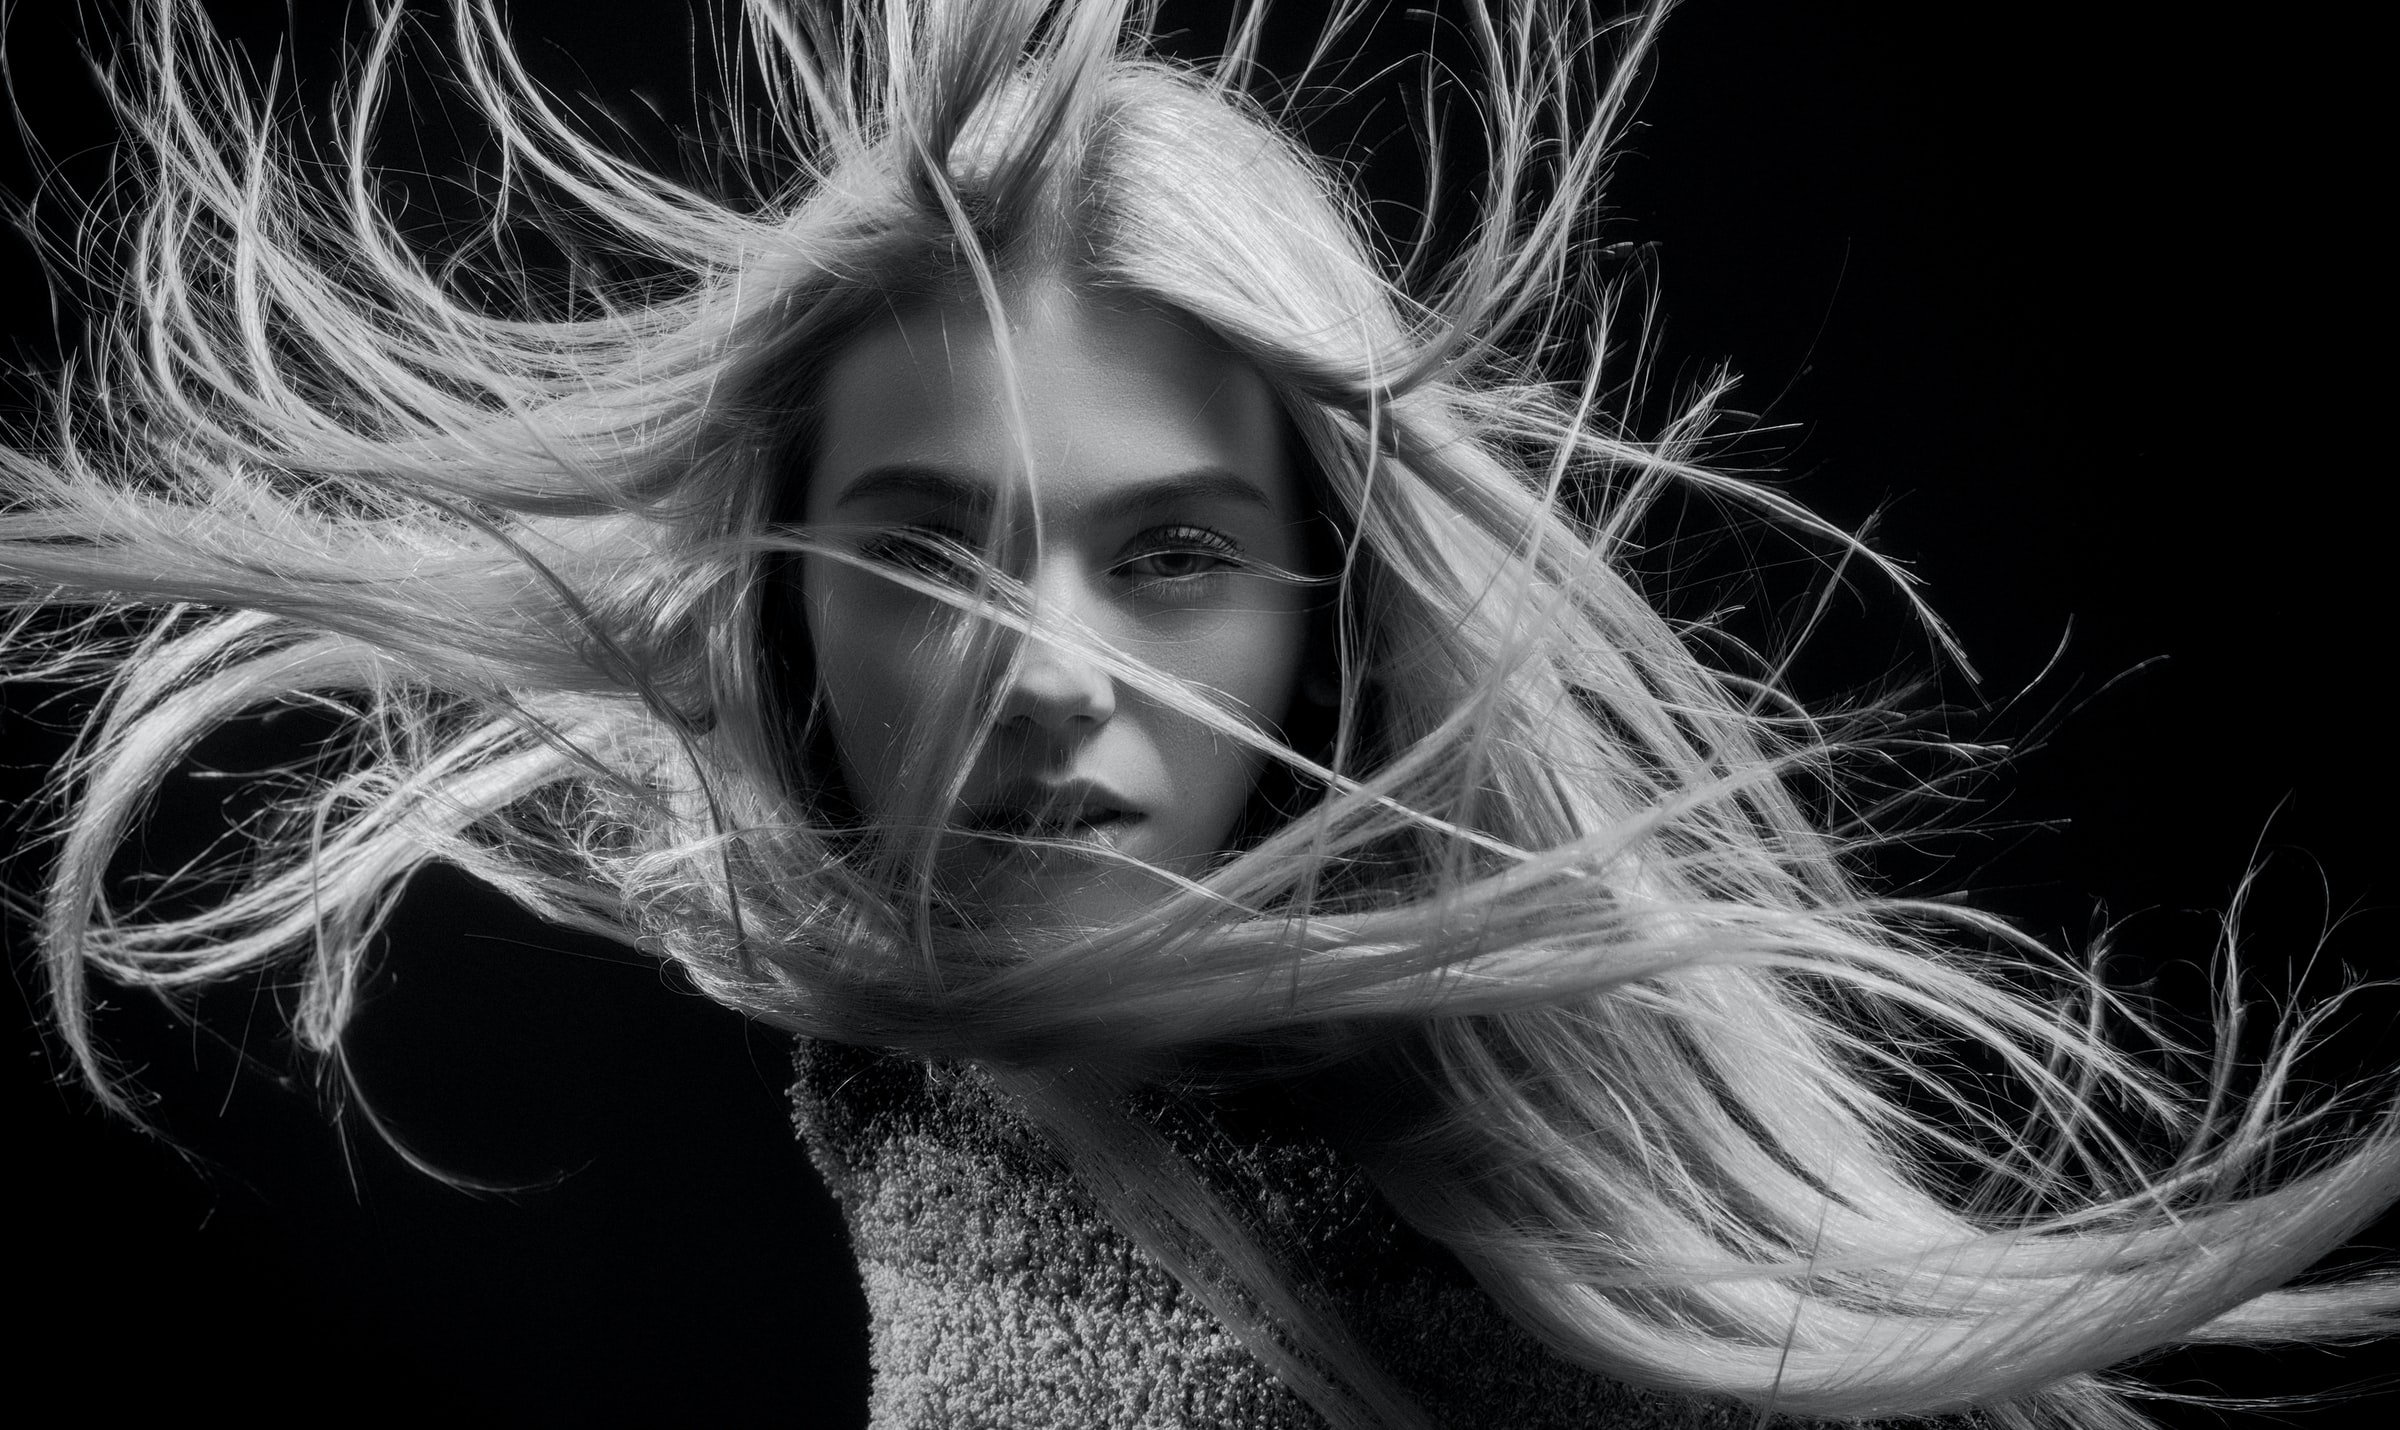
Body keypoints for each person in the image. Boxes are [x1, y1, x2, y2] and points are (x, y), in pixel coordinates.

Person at [4, 1, 2393, 1425]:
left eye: (1170, 552)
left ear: (1337, 621)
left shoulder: (1579, 1248)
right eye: (923, 554)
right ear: (778, 622)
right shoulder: (966, 1189)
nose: (1054, 674)